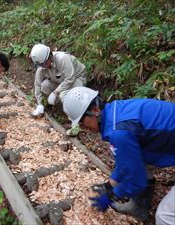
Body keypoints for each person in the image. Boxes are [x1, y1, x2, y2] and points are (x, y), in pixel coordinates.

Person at [63, 86, 175, 224]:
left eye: (81, 121)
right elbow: (127, 162)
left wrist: (111, 196)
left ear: (95, 111)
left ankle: (142, 208)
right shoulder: (115, 112)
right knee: (135, 157)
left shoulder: (120, 131)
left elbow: (136, 180)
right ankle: (140, 207)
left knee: (165, 216)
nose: (81, 126)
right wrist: (108, 186)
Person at [29, 43, 87, 117]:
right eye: (41, 65)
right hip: (61, 81)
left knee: (63, 95)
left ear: (49, 56)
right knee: (44, 86)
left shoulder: (63, 59)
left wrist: (55, 92)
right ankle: (59, 106)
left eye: (44, 64)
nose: (43, 67)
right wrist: (40, 104)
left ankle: (75, 116)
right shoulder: (41, 67)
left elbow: (70, 79)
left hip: (77, 78)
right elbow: (37, 85)